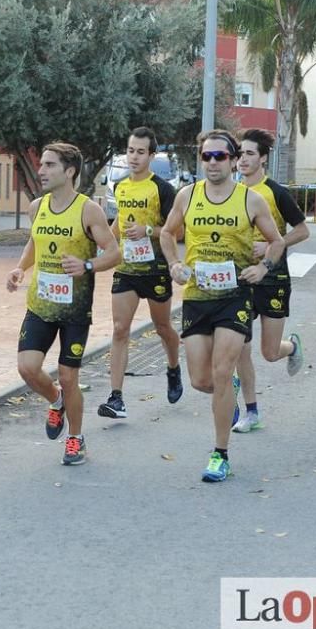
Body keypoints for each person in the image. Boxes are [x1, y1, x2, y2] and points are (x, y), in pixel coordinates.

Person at [160, 130, 284, 482]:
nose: (213, 162)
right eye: (207, 156)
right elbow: (167, 234)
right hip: (198, 296)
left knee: (220, 369)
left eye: (220, 156)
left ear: (232, 160)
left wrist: (263, 268)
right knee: (201, 380)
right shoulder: (187, 196)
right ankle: (226, 392)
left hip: (235, 296)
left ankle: (220, 454)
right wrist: (174, 264)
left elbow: (276, 242)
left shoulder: (251, 200)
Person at [6, 142, 120, 465]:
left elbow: (114, 253)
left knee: (69, 376)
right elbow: (35, 241)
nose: (41, 171)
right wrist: (19, 268)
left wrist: (87, 266)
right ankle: (56, 400)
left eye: (49, 165)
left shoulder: (89, 211)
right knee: (27, 368)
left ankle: (76, 438)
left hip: (74, 310)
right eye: (41, 164)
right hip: (41, 304)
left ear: (69, 171)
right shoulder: (37, 207)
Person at [98, 127, 183, 419]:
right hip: (127, 269)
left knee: (163, 329)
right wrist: (102, 248)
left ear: (151, 154)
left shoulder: (162, 189)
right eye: (130, 150)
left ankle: (173, 367)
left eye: (140, 152)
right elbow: (119, 224)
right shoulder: (121, 186)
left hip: (156, 268)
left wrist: (148, 230)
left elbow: (176, 230)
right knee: (121, 329)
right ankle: (116, 398)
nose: (133, 157)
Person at [230, 128, 310, 433]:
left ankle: (292, 348)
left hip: (273, 278)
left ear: (263, 158)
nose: (243, 160)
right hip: (241, 279)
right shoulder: (231, 193)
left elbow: (303, 230)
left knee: (269, 351)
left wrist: (273, 245)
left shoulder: (275, 192)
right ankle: (251, 412)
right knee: (240, 349)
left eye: (250, 154)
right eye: (240, 154)